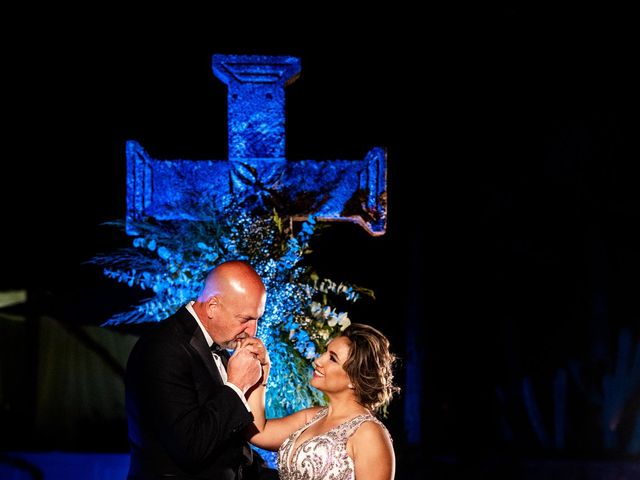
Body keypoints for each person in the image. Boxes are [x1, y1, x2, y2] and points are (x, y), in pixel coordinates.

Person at [125, 260, 275, 479]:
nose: (252, 331)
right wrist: (236, 386)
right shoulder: (162, 348)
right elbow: (191, 448)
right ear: (213, 306)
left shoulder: (219, 339)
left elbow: (237, 436)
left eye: (257, 319)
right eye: (245, 319)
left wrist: (261, 375)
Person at [245, 322, 399, 479]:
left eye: (332, 358)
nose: (318, 361)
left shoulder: (368, 433)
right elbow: (258, 432)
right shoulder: (310, 418)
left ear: (355, 379)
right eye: (325, 352)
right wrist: (263, 371)